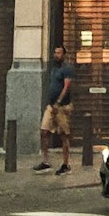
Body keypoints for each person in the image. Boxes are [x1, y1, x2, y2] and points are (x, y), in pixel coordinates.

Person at [34, 44, 73, 174]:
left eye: (59, 53)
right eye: (55, 53)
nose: (57, 55)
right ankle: (45, 161)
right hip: (51, 107)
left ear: (64, 54)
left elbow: (66, 87)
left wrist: (58, 102)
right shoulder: (53, 68)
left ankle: (65, 164)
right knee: (44, 131)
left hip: (62, 107)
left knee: (63, 135)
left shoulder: (66, 69)